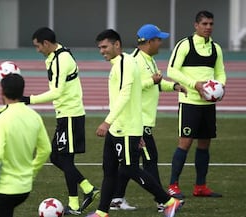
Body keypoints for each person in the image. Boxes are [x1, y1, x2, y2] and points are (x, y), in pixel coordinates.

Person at [86, 29, 183, 217]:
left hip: (125, 129)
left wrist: (107, 122)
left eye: (105, 47)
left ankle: (169, 201)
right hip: (118, 129)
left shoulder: (125, 63)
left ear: (117, 45)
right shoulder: (120, 63)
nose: (102, 51)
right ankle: (101, 212)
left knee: (130, 169)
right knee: (110, 171)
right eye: (100, 48)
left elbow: (125, 94)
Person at [21, 27, 99, 215]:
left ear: (46, 43)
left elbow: (57, 92)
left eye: (37, 46)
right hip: (65, 114)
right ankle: (88, 189)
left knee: (64, 158)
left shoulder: (61, 59)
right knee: (56, 156)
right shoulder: (55, 56)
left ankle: (73, 204)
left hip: (70, 115)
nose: (37, 50)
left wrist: (28, 100)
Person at [167, 10, 226, 199]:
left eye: (211, 24)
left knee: (204, 144)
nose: (208, 27)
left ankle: (200, 186)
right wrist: (195, 85)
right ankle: (173, 186)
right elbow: (171, 70)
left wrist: (221, 87)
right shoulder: (185, 45)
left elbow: (220, 72)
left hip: (208, 105)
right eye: (204, 24)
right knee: (185, 143)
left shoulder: (216, 48)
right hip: (189, 102)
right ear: (196, 25)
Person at [0, 73, 52, 217]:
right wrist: (32, 171)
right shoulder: (34, 116)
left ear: (2, 91)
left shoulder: (0, 117)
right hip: (24, 188)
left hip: (3, 188)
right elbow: (46, 150)